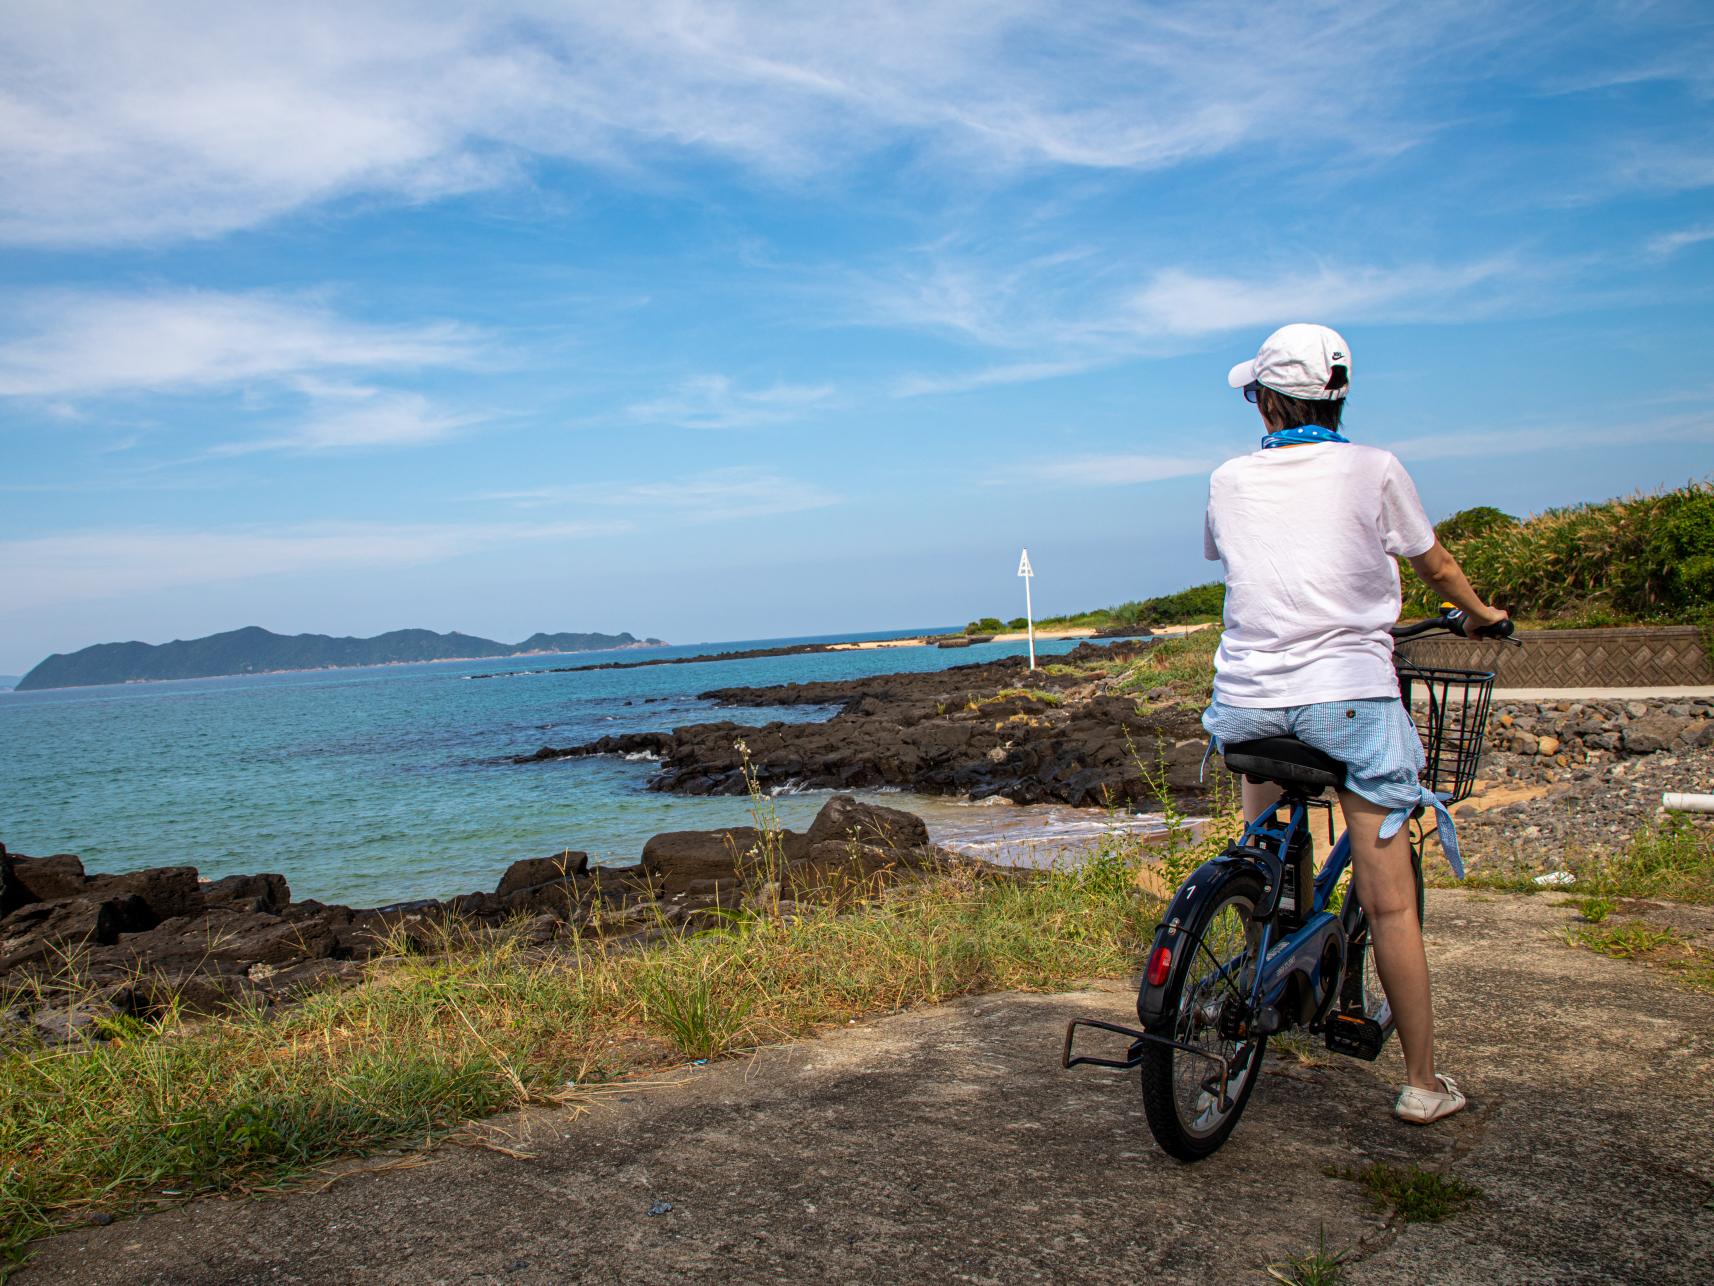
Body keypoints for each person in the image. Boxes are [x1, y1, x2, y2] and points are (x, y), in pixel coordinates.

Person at [1200, 322, 1508, 1126]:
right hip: (1350, 697)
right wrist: (1480, 615)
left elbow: (1239, 559)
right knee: (1393, 903)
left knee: (1265, 829)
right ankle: (1421, 1083)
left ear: (1265, 399)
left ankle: (1266, 906)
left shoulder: (1229, 479)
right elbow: (1432, 563)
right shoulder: (1374, 468)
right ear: (1336, 396)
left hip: (1247, 698)